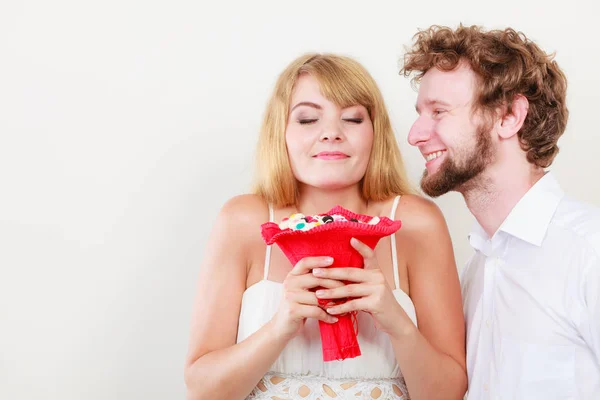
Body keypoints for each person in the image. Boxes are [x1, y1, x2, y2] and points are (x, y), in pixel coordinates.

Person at [184, 53, 467, 400]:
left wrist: (396, 322)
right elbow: (202, 391)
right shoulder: (242, 220)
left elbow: (448, 394)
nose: (331, 133)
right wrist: (279, 327)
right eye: (307, 119)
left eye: (351, 118)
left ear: (375, 133)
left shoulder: (417, 224)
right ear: (281, 131)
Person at [401, 24, 600, 399]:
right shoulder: (476, 272)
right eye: (420, 112)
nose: (414, 134)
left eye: (439, 111)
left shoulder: (590, 252)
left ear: (509, 116)